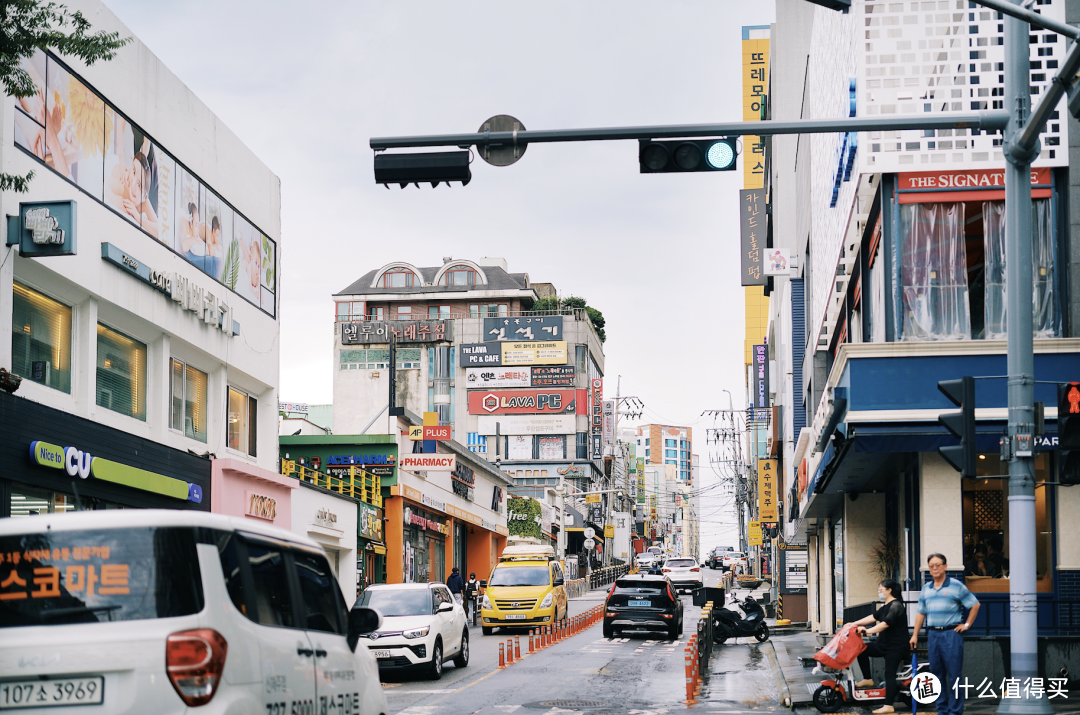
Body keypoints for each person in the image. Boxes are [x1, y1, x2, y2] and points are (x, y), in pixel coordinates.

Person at [910, 553, 980, 715]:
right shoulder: (926, 589)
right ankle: (941, 710)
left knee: (954, 675)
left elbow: (975, 605)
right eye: (931, 565)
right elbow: (921, 613)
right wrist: (914, 635)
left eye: (938, 565)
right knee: (936, 674)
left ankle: (955, 711)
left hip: (951, 634)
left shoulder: (956, 585)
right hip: (933, 635)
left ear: (945, 566)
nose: (934, 568)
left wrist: (967, 624)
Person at [846, 579, 910, 714]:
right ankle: (868, 679)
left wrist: (867, 631)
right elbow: (873, 617)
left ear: (889, 590)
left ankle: (888, 706)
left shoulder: (896, 606)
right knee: (861, 649)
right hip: (884, 644)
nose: (879, 592)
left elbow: (885, 624)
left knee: (889, 674)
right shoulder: (885, 606)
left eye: (881, 589)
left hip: (895, 647)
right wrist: (854, 624)